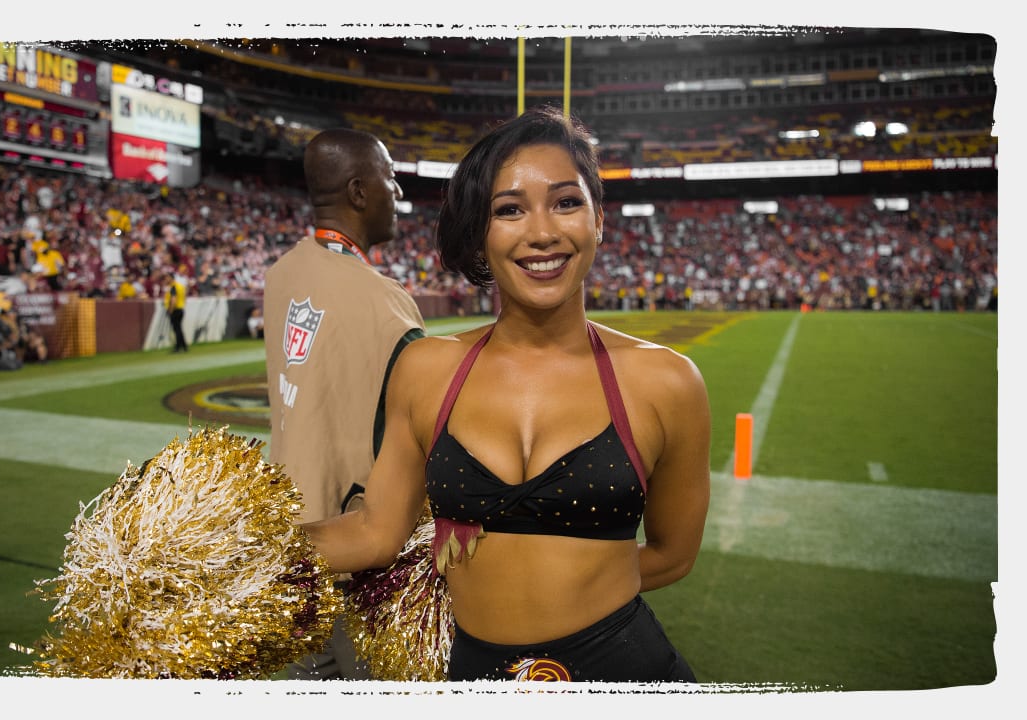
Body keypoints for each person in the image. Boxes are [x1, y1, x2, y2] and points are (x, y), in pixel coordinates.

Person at [300, 106, 711, 683]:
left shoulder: (667, 381)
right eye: (510, 210)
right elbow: (374, 531)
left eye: (567, 202)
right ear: (480, 232)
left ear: (599, 220)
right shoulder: (424, 369)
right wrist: (245, 550)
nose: (542, 232)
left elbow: (674, 552)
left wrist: (574, 587)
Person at [263, 127, 427, 681]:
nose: (398, 192)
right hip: (351, 558)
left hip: (284, 536)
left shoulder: (282, 271)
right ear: (359, 192)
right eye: (390, 177)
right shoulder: (387, 306)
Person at [163, 271, 190, 353]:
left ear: (171, 278)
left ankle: (178, 347)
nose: (166, 279)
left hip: (175, 310)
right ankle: (184, 346)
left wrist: (170, 310)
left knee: (177, 329)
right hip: (181, 308)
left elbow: (173, 299)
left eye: (167, 277)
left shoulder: (173, 287)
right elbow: (185, 295)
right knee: (179, 329)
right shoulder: (180, 286)